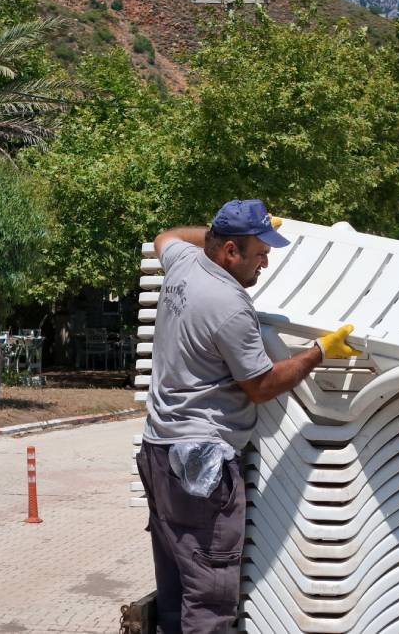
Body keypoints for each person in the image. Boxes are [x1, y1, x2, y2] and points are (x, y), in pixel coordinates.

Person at [137, 199, 360, 633]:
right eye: (259, 253)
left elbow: (167, 236)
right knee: (210, 592)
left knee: (176, 582)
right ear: (231, 253)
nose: (266, 264)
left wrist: (226, 229)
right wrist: (319, 351)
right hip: (201, 462)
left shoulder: (184, 264)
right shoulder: (228, 304)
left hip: (159, 449)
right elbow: (261, 386)